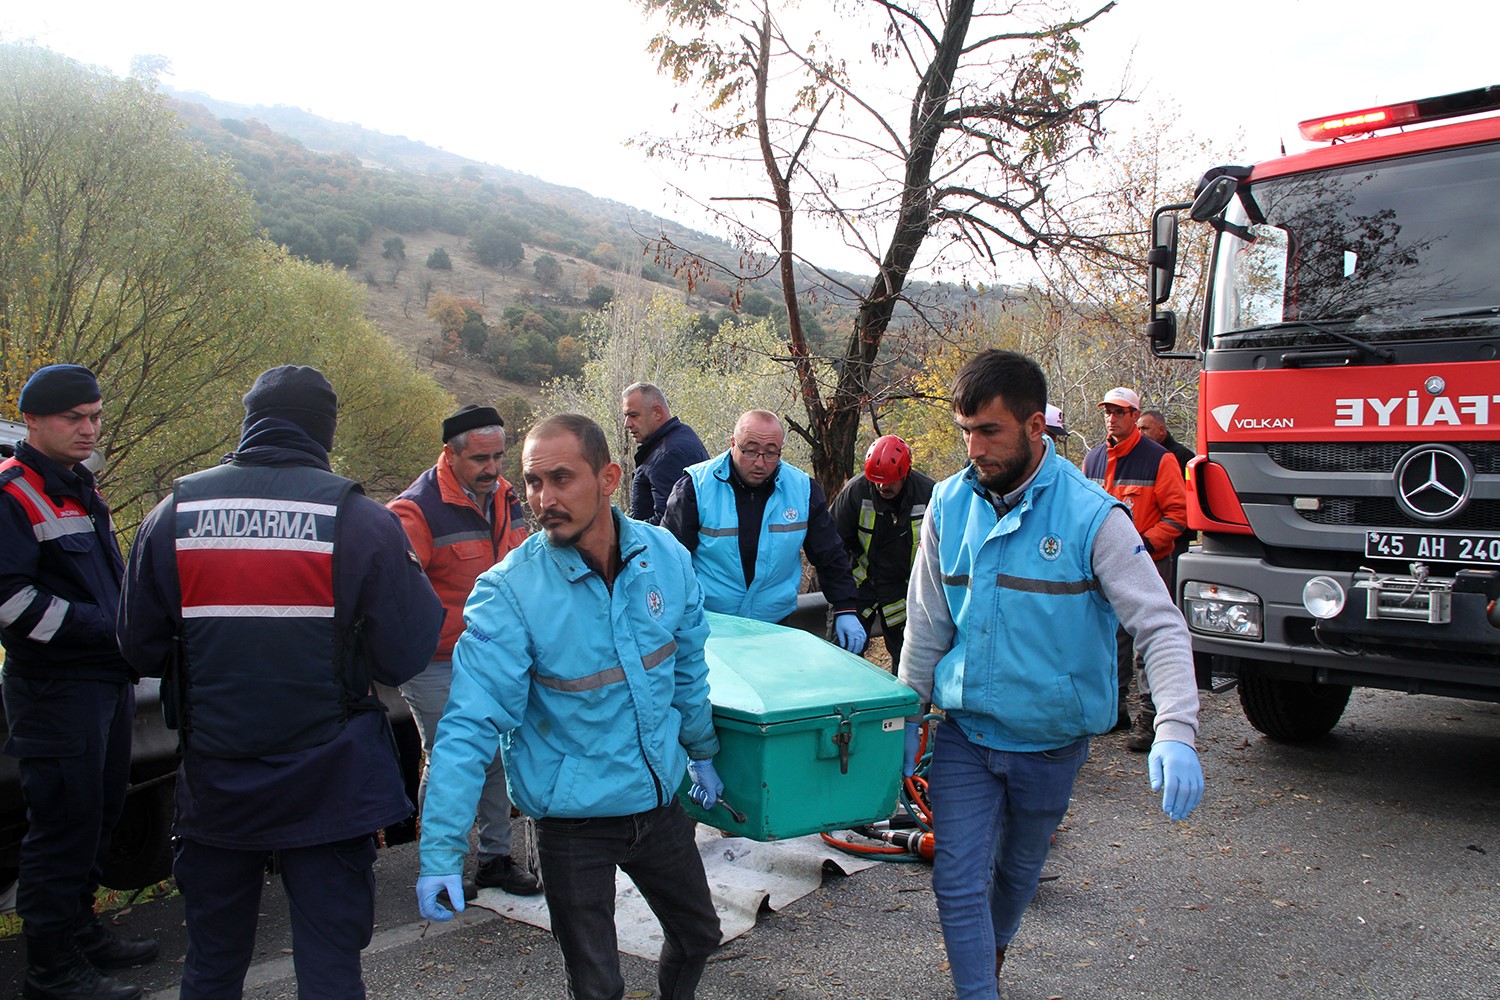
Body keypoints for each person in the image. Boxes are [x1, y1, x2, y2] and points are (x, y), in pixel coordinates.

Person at [117, 366, 443, 1000]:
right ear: (324, 429)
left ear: (249, 420)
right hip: (330, 787)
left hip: (217, 788)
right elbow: (404, 655)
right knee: (328, 966)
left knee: (212, 964)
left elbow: (137, 647)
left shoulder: (174, 513)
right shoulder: (358, 518)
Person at [899, 350, 1204, 999]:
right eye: (965, 431)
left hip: (1051, 741)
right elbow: (926, 627)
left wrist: (1175, 728)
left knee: (1016, 875)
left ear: (1036, 426)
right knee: (956, 877)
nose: (973, 447)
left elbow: (1160, 625)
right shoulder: (949, 508)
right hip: (966, 736)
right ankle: (979, 989)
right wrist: (907, 720)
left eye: (990, 431)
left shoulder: (1092, 517)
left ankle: (991, 955)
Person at [415, 413, 725, 1000]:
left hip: (658, 802)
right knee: (596, 982)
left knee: (699, 934)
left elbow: (688, 669)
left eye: (562, 478)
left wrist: (702, 750)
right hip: (572, 821)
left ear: (608, 477)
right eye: (532, 482)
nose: (543, 498)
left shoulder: (663, 558)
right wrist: (441, 850)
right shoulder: (510, 592)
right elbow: (469, 725)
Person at [2, 364, 158, 1000]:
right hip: (55, 688)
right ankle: (51, 969)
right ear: (34, 420)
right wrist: (110, 626)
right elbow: (10, 603)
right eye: (74, 418)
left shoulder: (77, 484)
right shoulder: (12, 494)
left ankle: (80, 931)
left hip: (104, 682)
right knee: (63, 823)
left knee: (99, 813)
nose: (89, 429)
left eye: (94, 416)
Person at [386, 404, 539, 897]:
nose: (492, 469)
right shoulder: (415, 511)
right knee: (452, 755)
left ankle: (495, 857)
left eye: (498, 456)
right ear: (448, 456)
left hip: (496, 654)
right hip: (436, 660)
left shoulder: (507, 497)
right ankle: (442, 864)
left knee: (495, 752)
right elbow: (393, 594)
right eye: (479, 459)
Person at [661, 409, 866, 652]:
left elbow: (829, 553)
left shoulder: (801, 489)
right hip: (710, 626)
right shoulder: (696, 487)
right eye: (750, 450)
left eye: (770, 453)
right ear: (733, 444)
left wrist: (845, 607)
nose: (760, 462)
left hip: (774, 627)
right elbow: (669, 560)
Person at [1082, 387, 1189, 751]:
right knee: (1110, 638)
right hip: (1102, 564)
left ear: (1134, 416)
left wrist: (1142, 545)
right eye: (1107, 411)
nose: (1111, 417)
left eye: (1119, 411)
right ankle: (1114, 710)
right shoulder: (1094, 458)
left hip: (1151, 562)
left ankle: (1150, 718)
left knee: (1146, 642)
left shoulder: (1160, 459)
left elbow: (1179, 515)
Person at [827, 435, 935, 668]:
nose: (883, 486)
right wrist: (841, 600)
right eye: (877, 480)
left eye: (890, 481)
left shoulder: (928, 495)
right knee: (842, 661)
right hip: (859, 587)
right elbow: (831, 546)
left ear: (905, 473)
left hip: (907, 592)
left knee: (911, 667)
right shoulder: (856, 492)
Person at [621, 382, 709, 525]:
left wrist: (624, 532)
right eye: (626, 416)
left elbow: (668, 523)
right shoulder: (681, 434)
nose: (627, 424)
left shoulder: (667, 455)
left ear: (657, 412)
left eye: (633, 415)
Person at [1138, 409, 1194, 477]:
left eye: (1145, 428)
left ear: (1161, 430)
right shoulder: (1138, 455)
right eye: (1138, 429)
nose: (1140, 433)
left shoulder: (1183, 456)